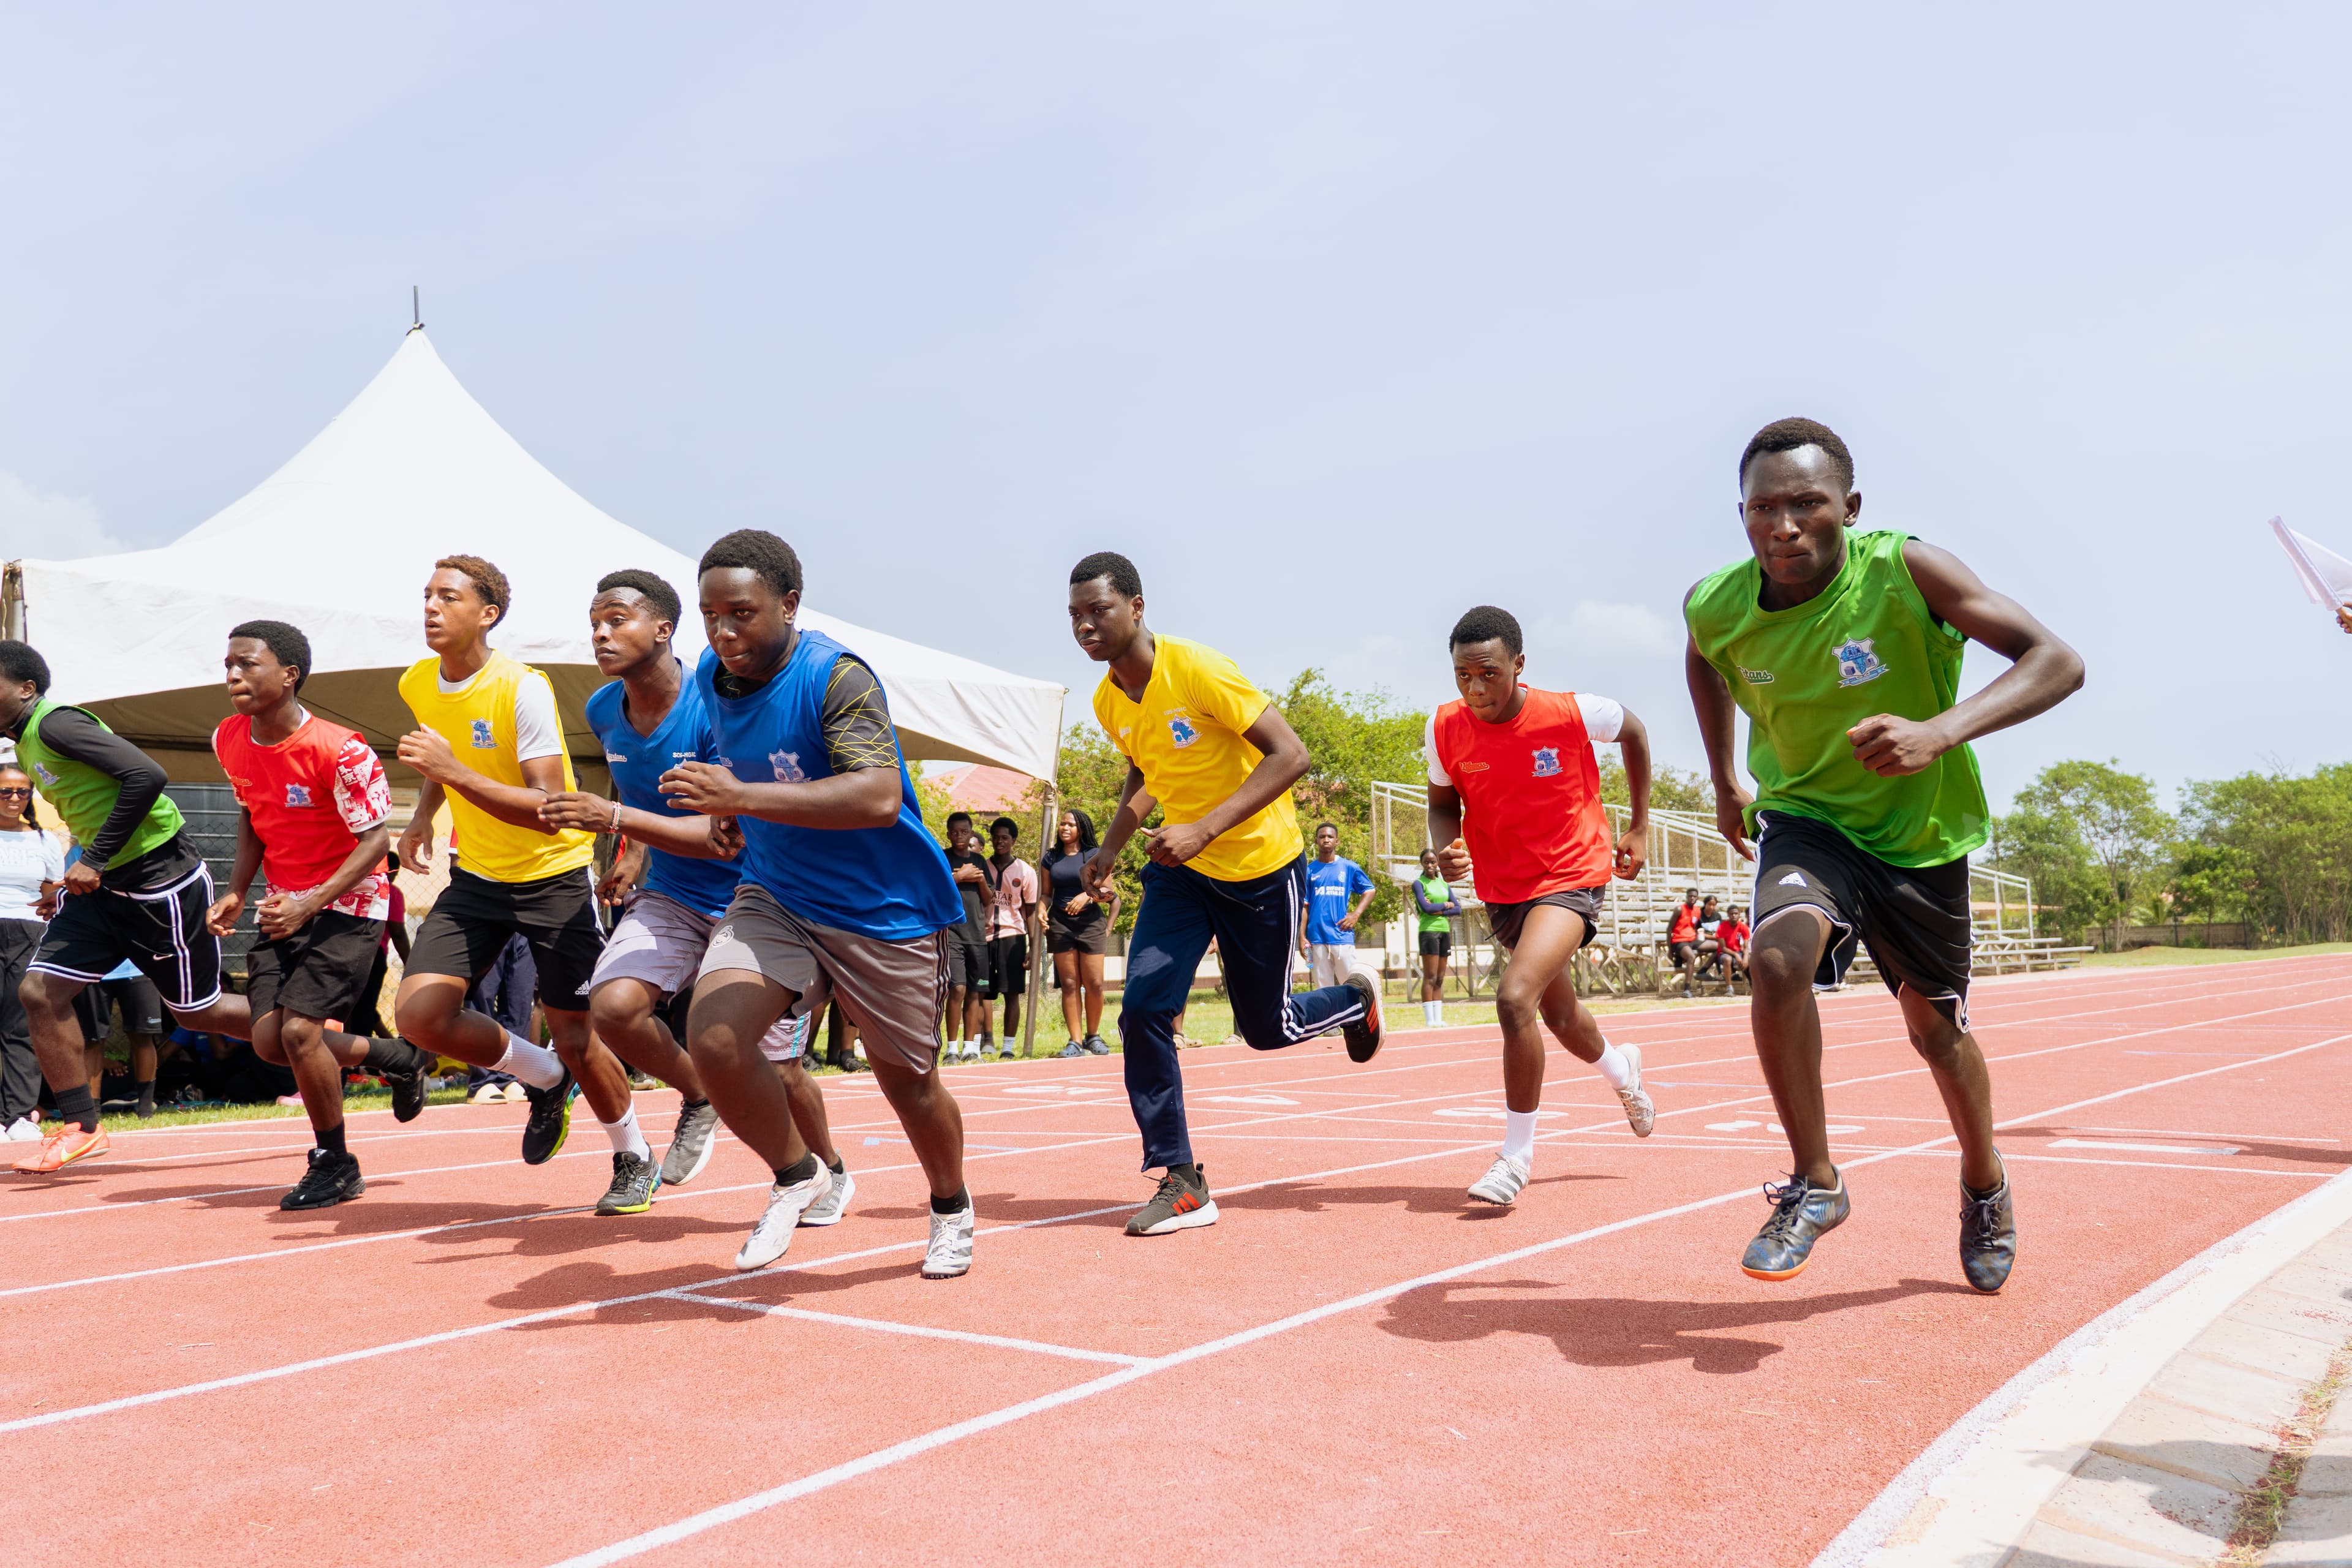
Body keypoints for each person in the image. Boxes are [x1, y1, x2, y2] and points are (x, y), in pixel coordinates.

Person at [1684, 417, 2082, 1292]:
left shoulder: (1907, 571)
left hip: (1917, 837)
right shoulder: (1716, 602)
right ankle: (1816, 1183)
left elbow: (2057, 660)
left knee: (1936, 1035)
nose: (1783, 526)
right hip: (1806, 818)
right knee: (1778, 963)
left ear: (1849, 507)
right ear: (1742, 516)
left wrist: (1939, 731)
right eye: (1763, 510)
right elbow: (1704, 657)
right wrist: (1723, 777)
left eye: (1806, 504)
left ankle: (1985, 1183)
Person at [658, 530, 974, 1277]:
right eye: (710, 615)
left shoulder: (837, 677)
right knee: (715, 1038)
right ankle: (802, 1175)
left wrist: (740, 794)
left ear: (789, 603)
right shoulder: (712, 671)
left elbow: (876, 793)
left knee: (909, 1084)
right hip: (778, 891)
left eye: (741, 613)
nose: (724, 633)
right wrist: (730, 805)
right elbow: (732, 748)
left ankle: (951, 1206)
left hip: (881, 908)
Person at [1067, 550, 1380, 1238]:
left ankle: (1357, 1001)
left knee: (1264, 1029)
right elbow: (1144, 768)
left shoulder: (1199, 668)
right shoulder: (1106, 698)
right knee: (1144, 1010)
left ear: (1138, 608)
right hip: (1180, 873)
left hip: (1260, 870)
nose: (1085, 625)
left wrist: (1205, 829)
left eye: (1099, 610)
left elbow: (1291, 755)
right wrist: (1110, 848)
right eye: (1075, 616)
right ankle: (1181, 1179)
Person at [537, 568, 853, 1219]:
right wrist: (637, 850)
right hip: (673, 893)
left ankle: (831, 1168)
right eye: (594, 621)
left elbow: (722, 834)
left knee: (781, 1070)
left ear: (663, 628)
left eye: (616, 618)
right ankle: (701, 1094)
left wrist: (620, 823)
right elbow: (651, 794)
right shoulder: (603, 710)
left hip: (754, 898)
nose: (600, 632)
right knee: (614, 1007)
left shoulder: (713, 709)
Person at [391, 555, 638, 1189]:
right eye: (426, 595)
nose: (430, 607)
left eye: (447, 597)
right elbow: (439, 759)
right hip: (477, 877)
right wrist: (423, 815)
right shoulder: (417, 682)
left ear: (487, 614)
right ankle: (546, 1077)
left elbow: (550, 812)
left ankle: (632, 1156)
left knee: (579, 1035)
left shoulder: (522, 687)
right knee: (419, 1016)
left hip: (552, 876)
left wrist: (453, 774)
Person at [1427, 605, 1659, 1207]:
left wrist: (1639, 826)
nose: (1476, 689)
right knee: (1560, 1019)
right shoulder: (1445, 726)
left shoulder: (1572, 711)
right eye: (1462, 676)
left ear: (1518, 665)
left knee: (1513, 998)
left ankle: (1515, 1157)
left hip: (1570, 874)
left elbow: (1634, 730)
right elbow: (1441, 804)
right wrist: (1444, 850)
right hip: (1504, 888)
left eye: (1489, 674)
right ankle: (1623, 1072)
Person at [210, 620, 439, 1208]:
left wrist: (311, 901)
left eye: (247, 664)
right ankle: (397, 1058)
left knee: (300, 1032)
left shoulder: (342, 750)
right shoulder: (227, 737)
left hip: (351, 905)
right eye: (229, 664)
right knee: (268, 1043)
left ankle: (334, 1161)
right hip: (284, 905)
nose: (233, 674)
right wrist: (238, 889)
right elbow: (252, 814)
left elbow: (374, 844)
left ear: (288, 675)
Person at [0, 763, 58, 1139]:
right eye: (6, 791)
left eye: (23, 792)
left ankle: (17, 1117)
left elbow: (53, 891)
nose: (15, 799)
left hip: (29, 931)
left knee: (20, 1024)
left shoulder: (45, 840)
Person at [1041, 807, 1116, 1057]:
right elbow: (1046, 893)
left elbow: (1109, 893)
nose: (1065, 828)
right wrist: (1041, 910)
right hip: (1061, 925)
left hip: (1091, 924)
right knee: (1070, 984)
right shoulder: (1051, 858)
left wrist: (1087, 896)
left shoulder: (1094, 855)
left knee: (1094, 983)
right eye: (1062, 824)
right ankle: (1074, 1041)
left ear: (1081, 829)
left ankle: (1093, 1036)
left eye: (1071, 825)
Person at [939, 811, 995, 1063]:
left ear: (971, 833)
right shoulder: (943, 857)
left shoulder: (980, 861)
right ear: (948, 834)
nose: (959, 836)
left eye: (964, 832)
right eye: (954, 832)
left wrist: (980, 880)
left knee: (975, 991)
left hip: (977, 936)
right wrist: (959, 877)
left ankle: (970, 1047)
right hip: (952, 934)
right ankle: (951, 1048)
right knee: (957, 988)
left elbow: (989, 899)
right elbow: (934, 889)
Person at [984, 815, 1038, 1059]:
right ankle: (980, 1044)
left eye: (1004, 837)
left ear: (1013, 840)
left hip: (1012, 938)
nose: (999, 842)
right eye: (996, 837)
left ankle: (1008, 1047)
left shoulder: (1025, 871)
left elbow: (1031, 910)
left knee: (1011, 993)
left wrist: (1033, 947)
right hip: (984, 938)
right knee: (981, 991)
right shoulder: (983, 866)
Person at [1300, 821, 1376, 989]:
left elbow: (1369, 890)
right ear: (1316, 841)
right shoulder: (1309, 870)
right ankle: (1328, 1016)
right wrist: (1302, 935)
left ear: (1337, 841)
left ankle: (1357, 1015)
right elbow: (1304, 906)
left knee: (1352, 986)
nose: (1326, 840)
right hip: (1317, 937)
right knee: (1323, 990)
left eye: (1330, 837)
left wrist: (1356, 914)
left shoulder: (1349, 867)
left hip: (1342, 934)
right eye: (1322, 837)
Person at [1410, 846, 1460, 1028]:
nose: (1430, 865)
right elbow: (1425, 908)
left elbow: (1458, 908)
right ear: (1422, 864)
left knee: (1440, 978)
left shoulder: (1444, 884)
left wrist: (1440, 908)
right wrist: (1446, 906)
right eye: (1426, 862)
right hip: (1428, 932)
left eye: (1433, 862)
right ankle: (1430, 1019)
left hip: (1444, 931)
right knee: (1430, 976)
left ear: (1437, 863)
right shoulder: (1419, 883)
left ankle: (1439, 1018)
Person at [1666, 888, 1702, 998]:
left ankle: (1705, 972)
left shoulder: (1698, 911)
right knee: (1692, 957)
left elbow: (1694, 926)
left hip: (1692, 939)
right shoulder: (1679, 909)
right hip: (1679, 940)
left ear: (1697, 898)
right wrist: (1670, 949)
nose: (1692, 898)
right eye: (1690, 896)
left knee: (1716, 946)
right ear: (1687, 897)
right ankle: (1687, 989)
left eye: (1694, 896)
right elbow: (1669, 929)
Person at [1718, 904, 1752, 982]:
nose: (1734, 915)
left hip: (1738, 952)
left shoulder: (1743, 927)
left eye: (1736, 914)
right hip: (1725, 953)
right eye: (1731, 914)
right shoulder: (1722, 927)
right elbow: (1723, 948)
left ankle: (1752, 983)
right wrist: (1736, 955)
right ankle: (1729, 987)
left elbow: (1746, 946)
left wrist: (1746, 957)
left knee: (1750, 959)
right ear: (1728, 915)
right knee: (1728, 959)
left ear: (1739, 914)